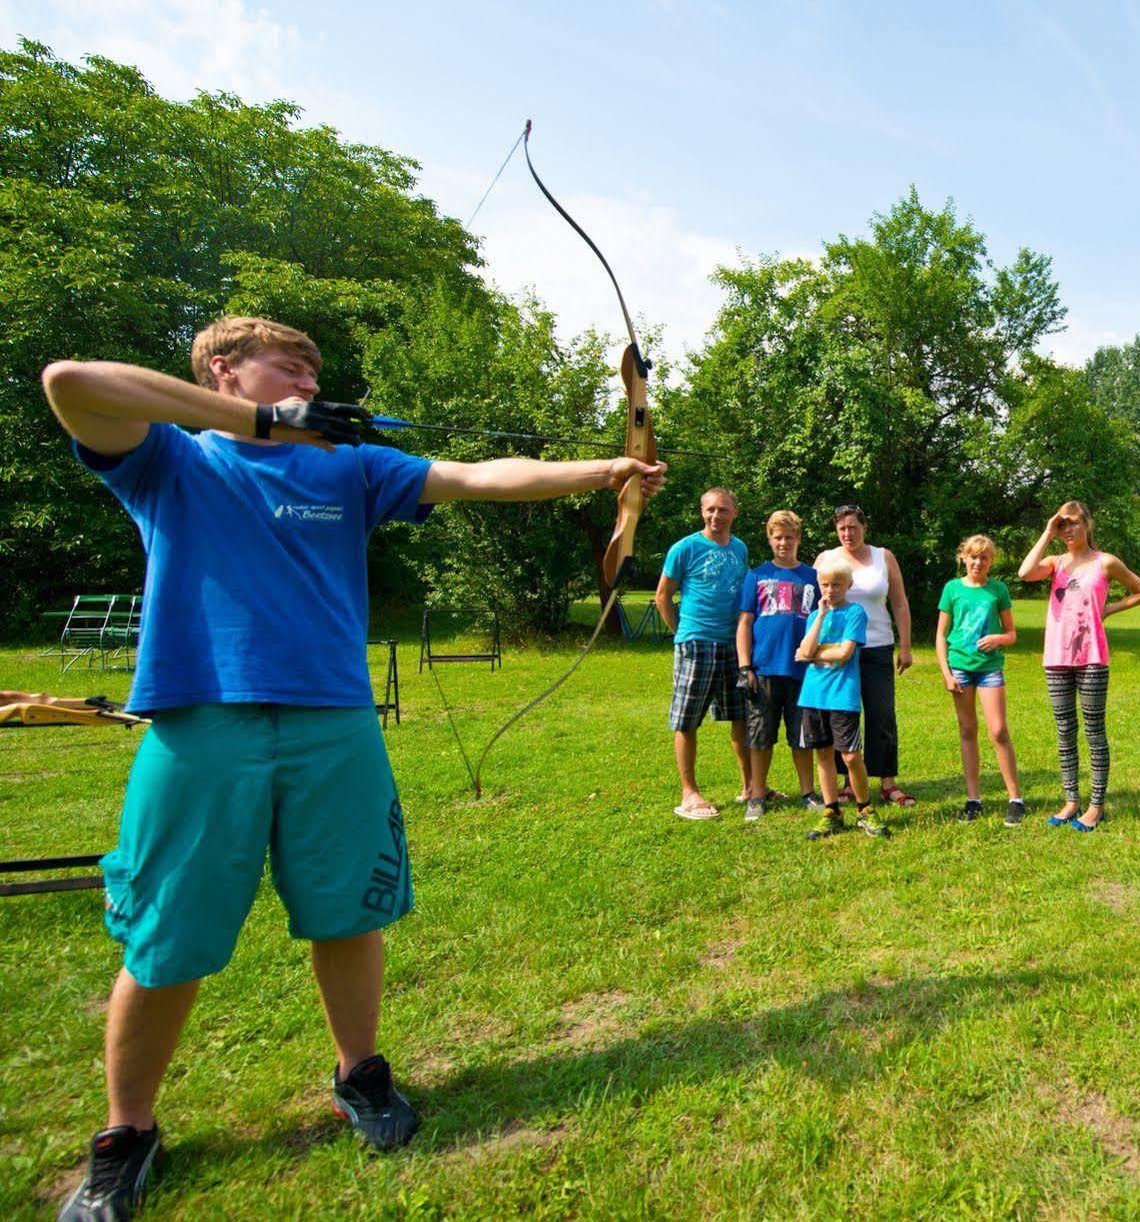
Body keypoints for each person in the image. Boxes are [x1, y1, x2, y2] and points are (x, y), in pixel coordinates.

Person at [38, 317, 664, 1221]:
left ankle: (357, 1073)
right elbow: (70, 380)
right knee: (167, 931)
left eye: (314, 364)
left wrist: (606, 473)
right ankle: (127, 1132)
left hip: (334, 718)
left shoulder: (350, 467)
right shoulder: (170, 459)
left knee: (350, 908)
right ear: (224, 369)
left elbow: (478, 476)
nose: (310, 372)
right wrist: (253, 424)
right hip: (201, 720)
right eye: (289, 361)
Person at [1017, 501, 1140, 832]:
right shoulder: (1055, 563)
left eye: (1073, 523)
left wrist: (1108, 611)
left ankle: (1096, 807)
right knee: (1064, 730)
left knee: (1093, 730)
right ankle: (1071, 801)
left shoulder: (1105, 562)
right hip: (1057, 657)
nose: (1068, 530)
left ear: (1088, 524)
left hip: (1091, 656)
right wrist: (1047, 532)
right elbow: (1023, 573)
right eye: (1063, 525)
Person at [655, 488, 752, 821]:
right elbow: (662, 595)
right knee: (687, 718)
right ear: (701, 512)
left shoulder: (740, 548)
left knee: (741, 717)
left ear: (734, 513)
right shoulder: (685, 548)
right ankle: (689, 793)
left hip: (732, 645)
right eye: (710, 510)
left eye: (723, 510)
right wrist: (682, 631)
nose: (716, 516)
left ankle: (750, 787)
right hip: (696, 642)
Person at [820, 505, 915, 806]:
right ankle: (849, 782)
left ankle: (888, 782)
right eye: (842, 529)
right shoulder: (826, 559)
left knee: (882, 715)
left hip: (877, 646)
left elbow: (899, 602)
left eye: (853, 527)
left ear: (865, 527)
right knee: (845, 716)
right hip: (839, 651)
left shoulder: (883, 557)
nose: (848, 533)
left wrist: (905, 645)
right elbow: (815, 606)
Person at [795, 553, 890, 840]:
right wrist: (821, 616)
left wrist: (813, 654)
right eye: (825, 584)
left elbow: (845, 653)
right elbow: (804, 648)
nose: (830, 590)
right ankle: (832, 811)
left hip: (842, 695)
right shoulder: (815, 615)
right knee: (823, 754)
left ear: (848, 585)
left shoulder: (855, 613)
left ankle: (864, 809)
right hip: (813, 696)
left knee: (850, 756)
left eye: (837, 584)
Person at [734, 510, 819, 821]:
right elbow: (744, 622)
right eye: (778, 537)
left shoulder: (812, 577)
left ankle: (808, 792)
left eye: (789, 537)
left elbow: (823, 621)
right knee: (760, 736)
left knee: (802, 736)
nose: (784, 542)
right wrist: (746, 667)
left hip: (802, 670)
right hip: (764, 669)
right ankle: (757, 795)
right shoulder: (756, 576)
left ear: (798, 538)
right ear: (770, 539)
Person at [935, 534, 1025, 826]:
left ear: (991, 561)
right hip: (960, 668)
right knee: (968, 731)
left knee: (998, 730)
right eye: (973, 556)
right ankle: (974, 800)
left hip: (989, 669)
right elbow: (940, 635)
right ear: (964, 558)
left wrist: (998, 638)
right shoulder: (952, 588)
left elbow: (1012, 634)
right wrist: (946, 673)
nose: (978, 562)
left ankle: (1015, 799)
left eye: (984, 557)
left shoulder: (998, 589)